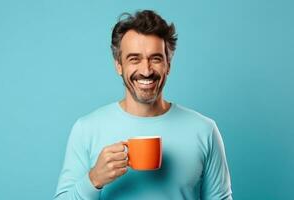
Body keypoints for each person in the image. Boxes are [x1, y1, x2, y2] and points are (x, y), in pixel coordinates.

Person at [54, 10, 232, 200]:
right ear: (119, 66)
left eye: (155, 59)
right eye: (134, 59)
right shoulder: (86, 129)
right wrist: (94, 179)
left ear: (168, 66)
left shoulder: (204, 130)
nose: (146, 71)